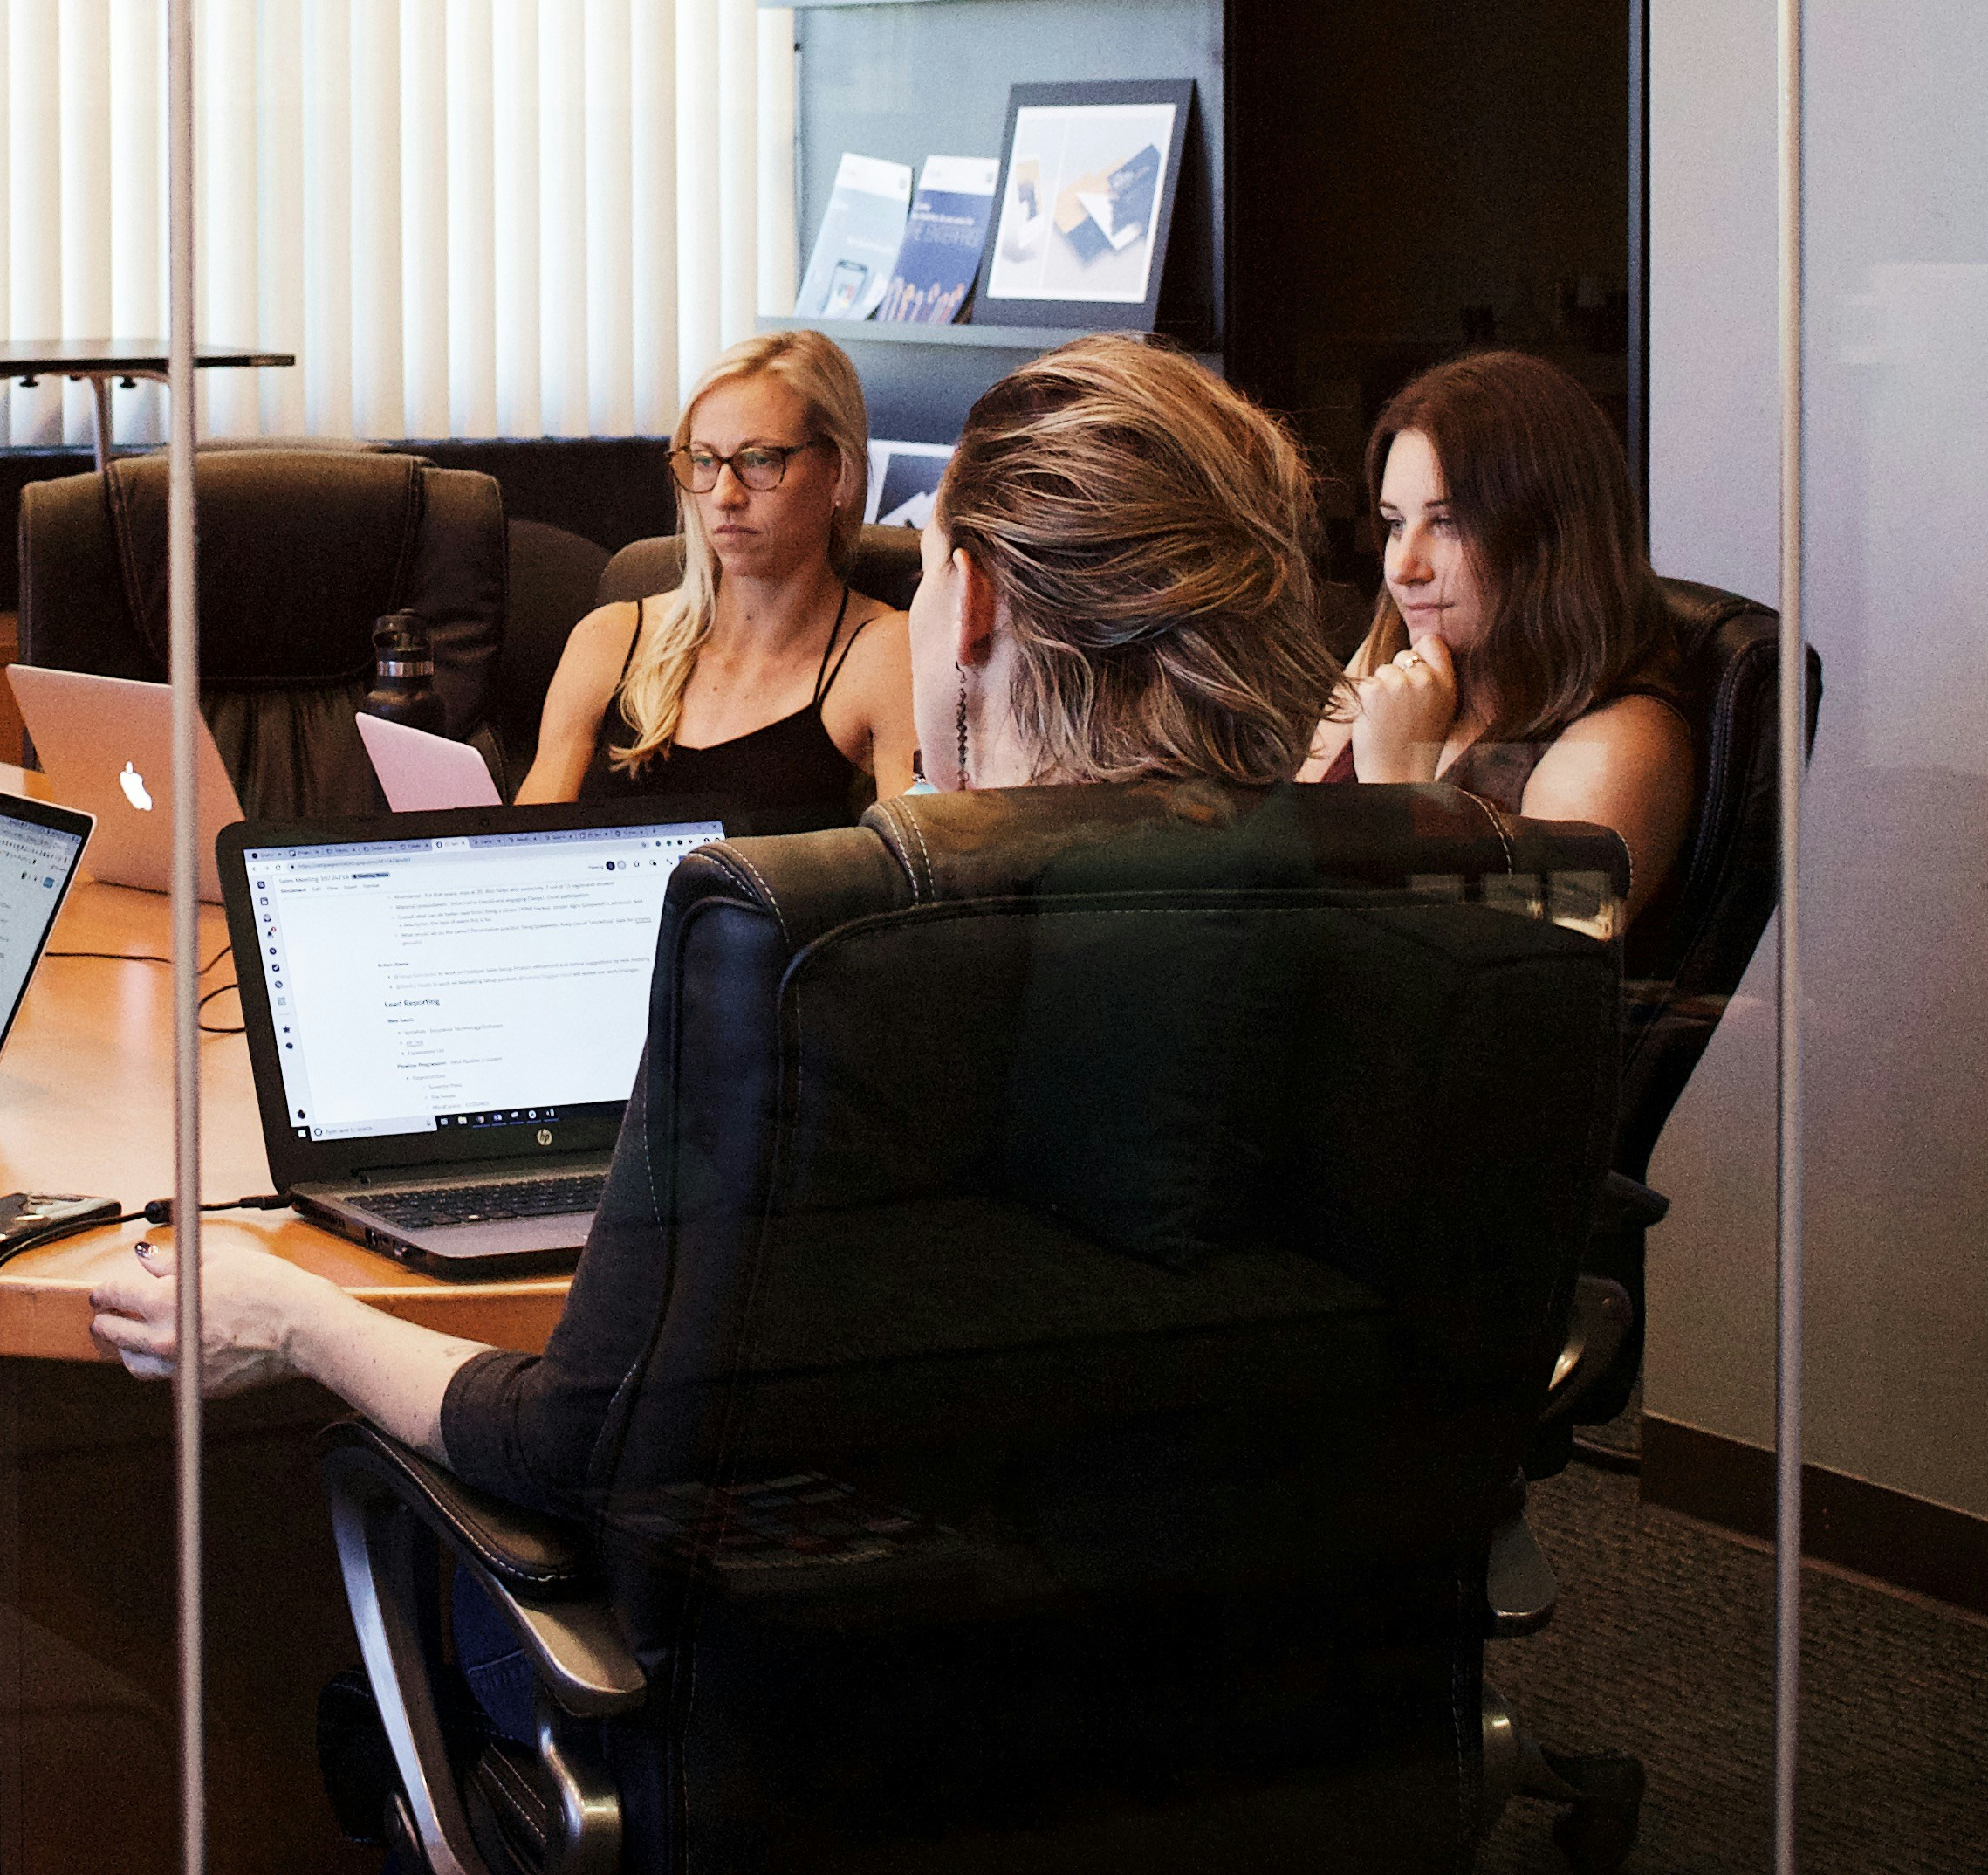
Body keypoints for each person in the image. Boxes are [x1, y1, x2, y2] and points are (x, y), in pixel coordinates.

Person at [97, 331, 1338, 1482]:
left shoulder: (819, 967)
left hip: (817, 1661)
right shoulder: (1404, 907)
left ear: (969, 609)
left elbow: (573, 1434)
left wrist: (298, 1317)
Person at [1300, 349, 1696, 907]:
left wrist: (1397, 789)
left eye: (1448, 523)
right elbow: (1283, 876)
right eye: (1395, 525)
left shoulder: (1622, 746)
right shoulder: (1394, 650)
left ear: (1547, 535)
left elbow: (1509, 980)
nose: (1401, 568)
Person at [518, 327, 915, 816]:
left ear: (839, 473)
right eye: (704, 460)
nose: (725, 495)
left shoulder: (887, 654)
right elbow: (523, 857)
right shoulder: (609, 639)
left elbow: (921, 876)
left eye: (759, 460)